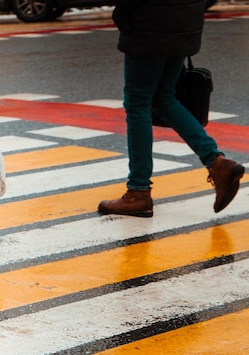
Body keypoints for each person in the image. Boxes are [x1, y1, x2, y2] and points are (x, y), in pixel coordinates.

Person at [98, 0, 245, 218]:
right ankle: (216, 161)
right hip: (185, 20)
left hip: (150, 23)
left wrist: (123, 15)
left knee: (138, 103)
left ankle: (138, 192)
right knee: (162, 97)